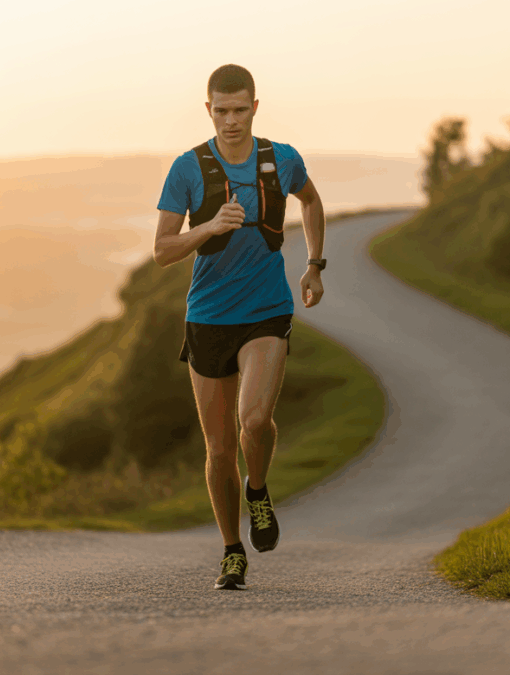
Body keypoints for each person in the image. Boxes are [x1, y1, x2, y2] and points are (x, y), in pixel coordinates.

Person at [153, 64, 327, 590]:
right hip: (206, 317)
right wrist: (208, 226)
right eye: (221, 110)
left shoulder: (282, 159)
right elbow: (162, 251)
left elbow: (312, 201)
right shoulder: (188, 169)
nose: (231, 120)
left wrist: (315, 264)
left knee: (254, 421)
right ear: (209, 110)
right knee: (219, 448)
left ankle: (258, 490)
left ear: (255, 106)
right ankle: (232, 551)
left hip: (267, 310)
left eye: (240, 109)